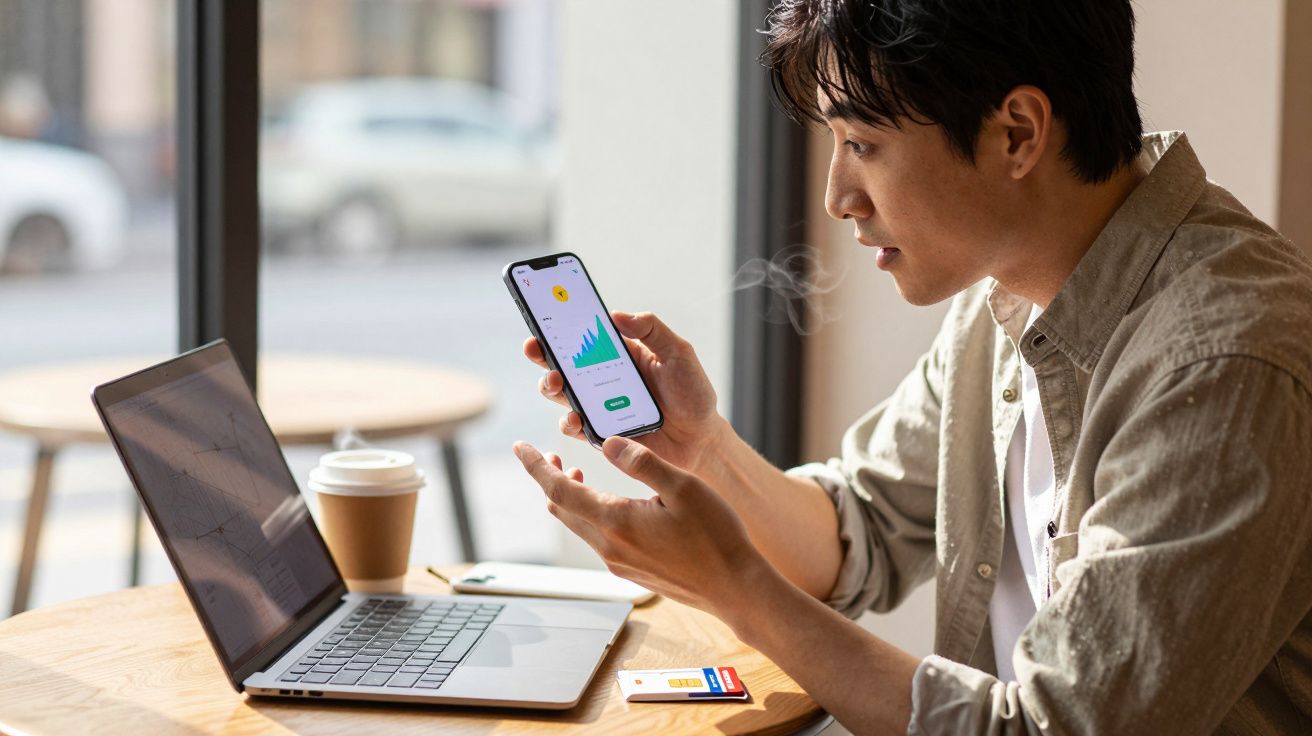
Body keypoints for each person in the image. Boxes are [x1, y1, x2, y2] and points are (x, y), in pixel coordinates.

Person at [512, 0, 1312, 732]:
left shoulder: (1224, 366)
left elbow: (1054, 727)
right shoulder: (1005, 297)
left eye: (862, 144)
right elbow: (860, 529)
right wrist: (704, 448)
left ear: (1018, 133)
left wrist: (736, 587)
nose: (838, 197)